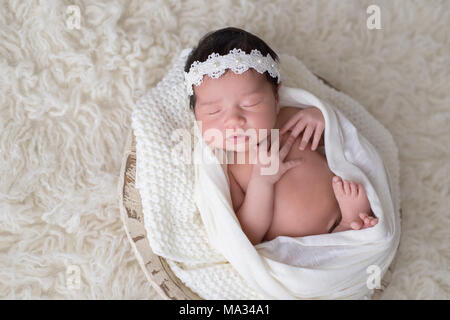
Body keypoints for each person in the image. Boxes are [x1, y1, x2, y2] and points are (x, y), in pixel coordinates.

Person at [184, 27, 378, 245]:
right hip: (294, 247)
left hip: (341, 210)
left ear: (276, 99)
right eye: (214, 111)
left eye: (251, 104)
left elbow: (341, 145)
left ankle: (350, 223)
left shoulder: (288, 121)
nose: (234, 121)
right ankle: (347, 230)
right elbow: (248, 234)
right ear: (196, 116)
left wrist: (322, 118)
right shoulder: (228, 167)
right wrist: (262, 181)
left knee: (359, 191)